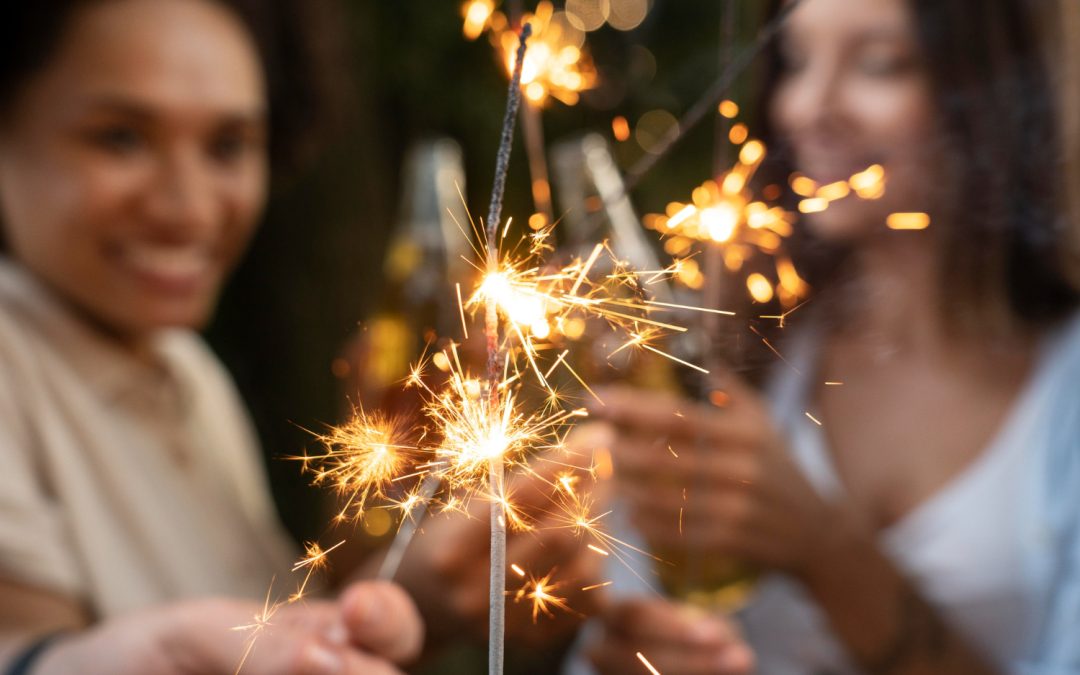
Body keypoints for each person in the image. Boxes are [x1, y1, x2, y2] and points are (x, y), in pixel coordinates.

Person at [581, 0, 1080, 673]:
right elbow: (619, 617)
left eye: (878, 64)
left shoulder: (1063, 390)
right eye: (795, 61)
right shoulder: (739, 345)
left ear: (990, 85)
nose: (807, 107)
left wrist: (825, 549)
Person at [0, 1, 423, 673]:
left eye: (228, 146)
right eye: (120, 138)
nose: (190, 208)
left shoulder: (188, 372)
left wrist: (382, 556)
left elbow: (268, 628)